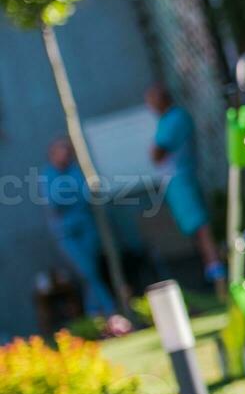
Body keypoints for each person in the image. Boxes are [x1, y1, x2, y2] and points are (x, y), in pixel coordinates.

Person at [42, 137, 130, 335]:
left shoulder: (75, 170)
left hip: (87, 229)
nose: (64, 155)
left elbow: (86, 193)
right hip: (66, 234)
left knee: (91, 273)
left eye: (66, 150)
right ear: (52, 154)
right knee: (88, 271)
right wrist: (75, 195)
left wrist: (73, 194)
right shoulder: (47, 175)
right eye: (60, 151)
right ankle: (111, 311)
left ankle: (94, 318)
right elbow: (55, 202)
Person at [146, 84, 225, 286]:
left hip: (183, 179)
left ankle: (219, 274)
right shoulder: (165, 120)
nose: (150, 105)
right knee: (195, 231)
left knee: (201, 228)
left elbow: (157, 153)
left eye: (152, 100)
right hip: (176, 183)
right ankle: (214, 273)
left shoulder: (175, 118)